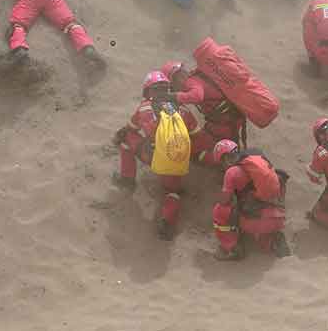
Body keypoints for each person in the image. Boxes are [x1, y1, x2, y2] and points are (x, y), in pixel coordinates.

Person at [112, 71, 199, 240]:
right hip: (177, 162)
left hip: (152, 157)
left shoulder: (144, 108)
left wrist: (117, 137)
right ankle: (167, 222)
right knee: (173, 192)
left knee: (126, 140)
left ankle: (127, 180)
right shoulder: (184, 110)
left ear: (148, 91)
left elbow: (129, 129)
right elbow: (197, 136)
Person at [211, 140, 290, 260]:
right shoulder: (259, 162)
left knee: (220, 210)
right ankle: (272, 240)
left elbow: (225, 201)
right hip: (278, 217)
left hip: (258, 220)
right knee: (259, 221)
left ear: (225, 159)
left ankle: (231, 248)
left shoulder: (232, 172)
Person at [162, 61, 246, 165]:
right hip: (226, 117)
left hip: (225, 120)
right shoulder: (195, 77)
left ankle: (230, 165)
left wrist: (175, 96)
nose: (173, 88)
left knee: (215, 147)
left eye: (172, 84)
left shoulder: (190, 82)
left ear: (177, 78)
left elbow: (197, 96)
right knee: (211, 140)